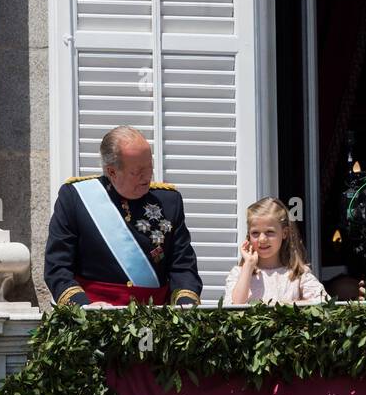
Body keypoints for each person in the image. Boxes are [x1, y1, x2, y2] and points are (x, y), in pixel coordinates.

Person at [44, 126, 202, 307]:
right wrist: (83, 308)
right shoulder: (76, 198)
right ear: (112, 172)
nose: (147, 176)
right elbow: (57, 267)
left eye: (149, 167)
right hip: (94, 319)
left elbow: (182, 266)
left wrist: (185, 307)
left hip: (156, 319)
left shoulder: (168, 201)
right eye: (137, 171)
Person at [228, 197, 328, 304]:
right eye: (255, 233)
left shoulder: (297, 274)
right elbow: (233, 307)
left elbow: (324, 302)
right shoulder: (239, 274)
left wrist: (288, 307)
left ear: (284, 233)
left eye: (269, 232)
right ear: (249, 236)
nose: (262, 239)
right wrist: (248, 265)